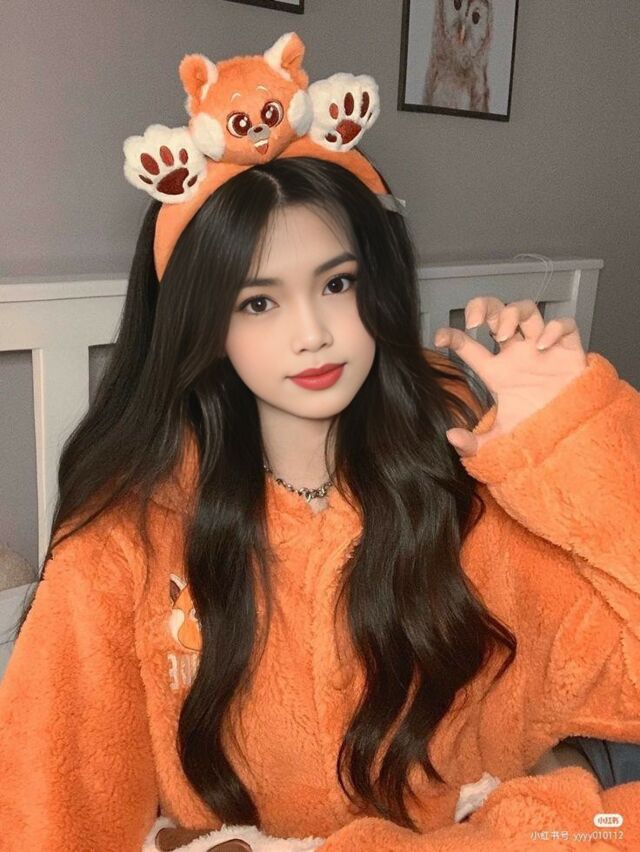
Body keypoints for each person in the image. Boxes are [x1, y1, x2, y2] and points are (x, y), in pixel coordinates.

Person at [1, 33, 639, 852]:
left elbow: (617, 672)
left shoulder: (448, 458)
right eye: (258, 302)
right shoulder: (130, 530)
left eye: (337, 284)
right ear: (203, 322)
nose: (313, 333)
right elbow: (50, 806)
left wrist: (568, 436)